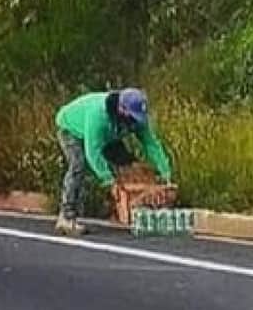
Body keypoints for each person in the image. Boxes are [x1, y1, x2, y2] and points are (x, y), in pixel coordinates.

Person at [54, 88, 173, 236]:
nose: (135, 122)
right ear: (121, 110)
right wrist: (109, 181)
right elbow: (93, 152)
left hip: (109, 136)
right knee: (78, 165)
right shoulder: (98, 116)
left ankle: (130, 210)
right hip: (72, 129)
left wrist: (165, 172)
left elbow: (151, 145)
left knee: (132, 167)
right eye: (133, 118)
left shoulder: (136, 119)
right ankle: (66, 217)